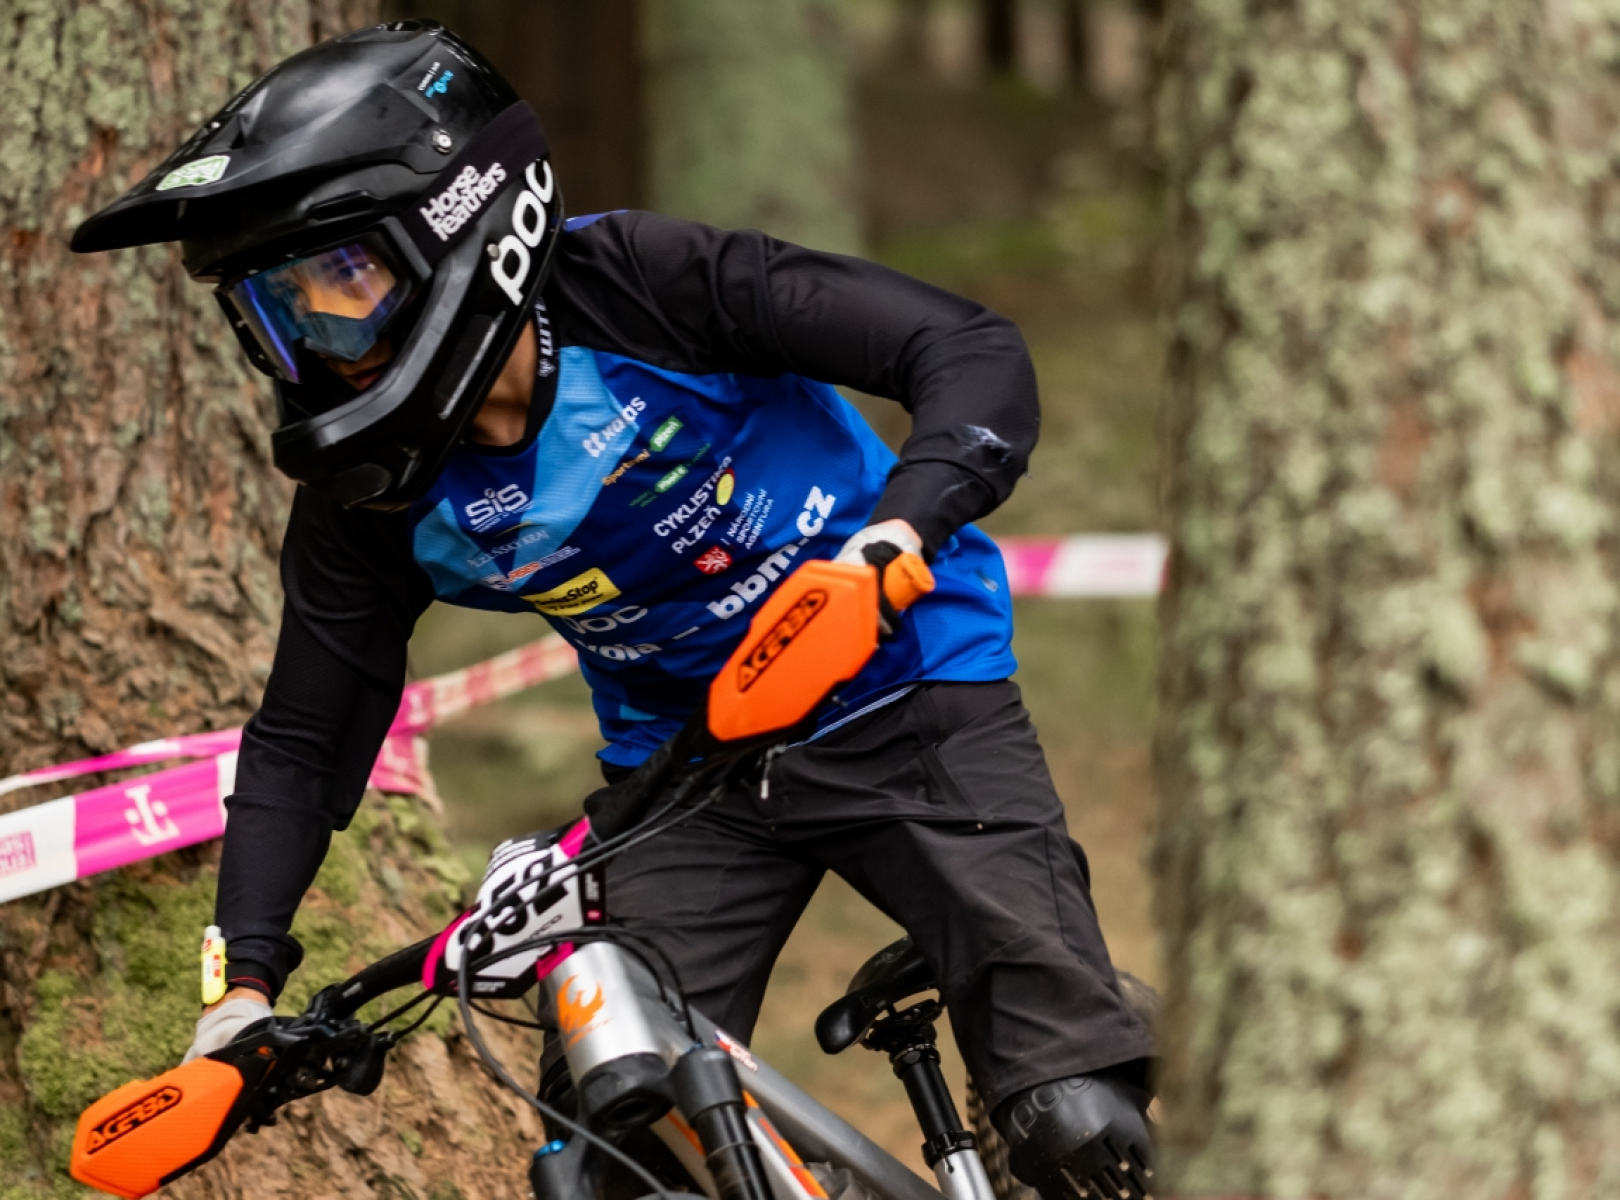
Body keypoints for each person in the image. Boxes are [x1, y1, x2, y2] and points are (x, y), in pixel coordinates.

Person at [72, 20, 1154, 1199]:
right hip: (689, 778)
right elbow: (303, 739)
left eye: (340, 286)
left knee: (1080, 1129)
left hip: (909, 685)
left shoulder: (637, 286)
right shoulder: (374, 499)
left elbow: (964, 346)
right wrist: (240, 999)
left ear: (461, 224)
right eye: (278, 314)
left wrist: (892, 546)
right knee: (615, 1161)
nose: (317, 341)